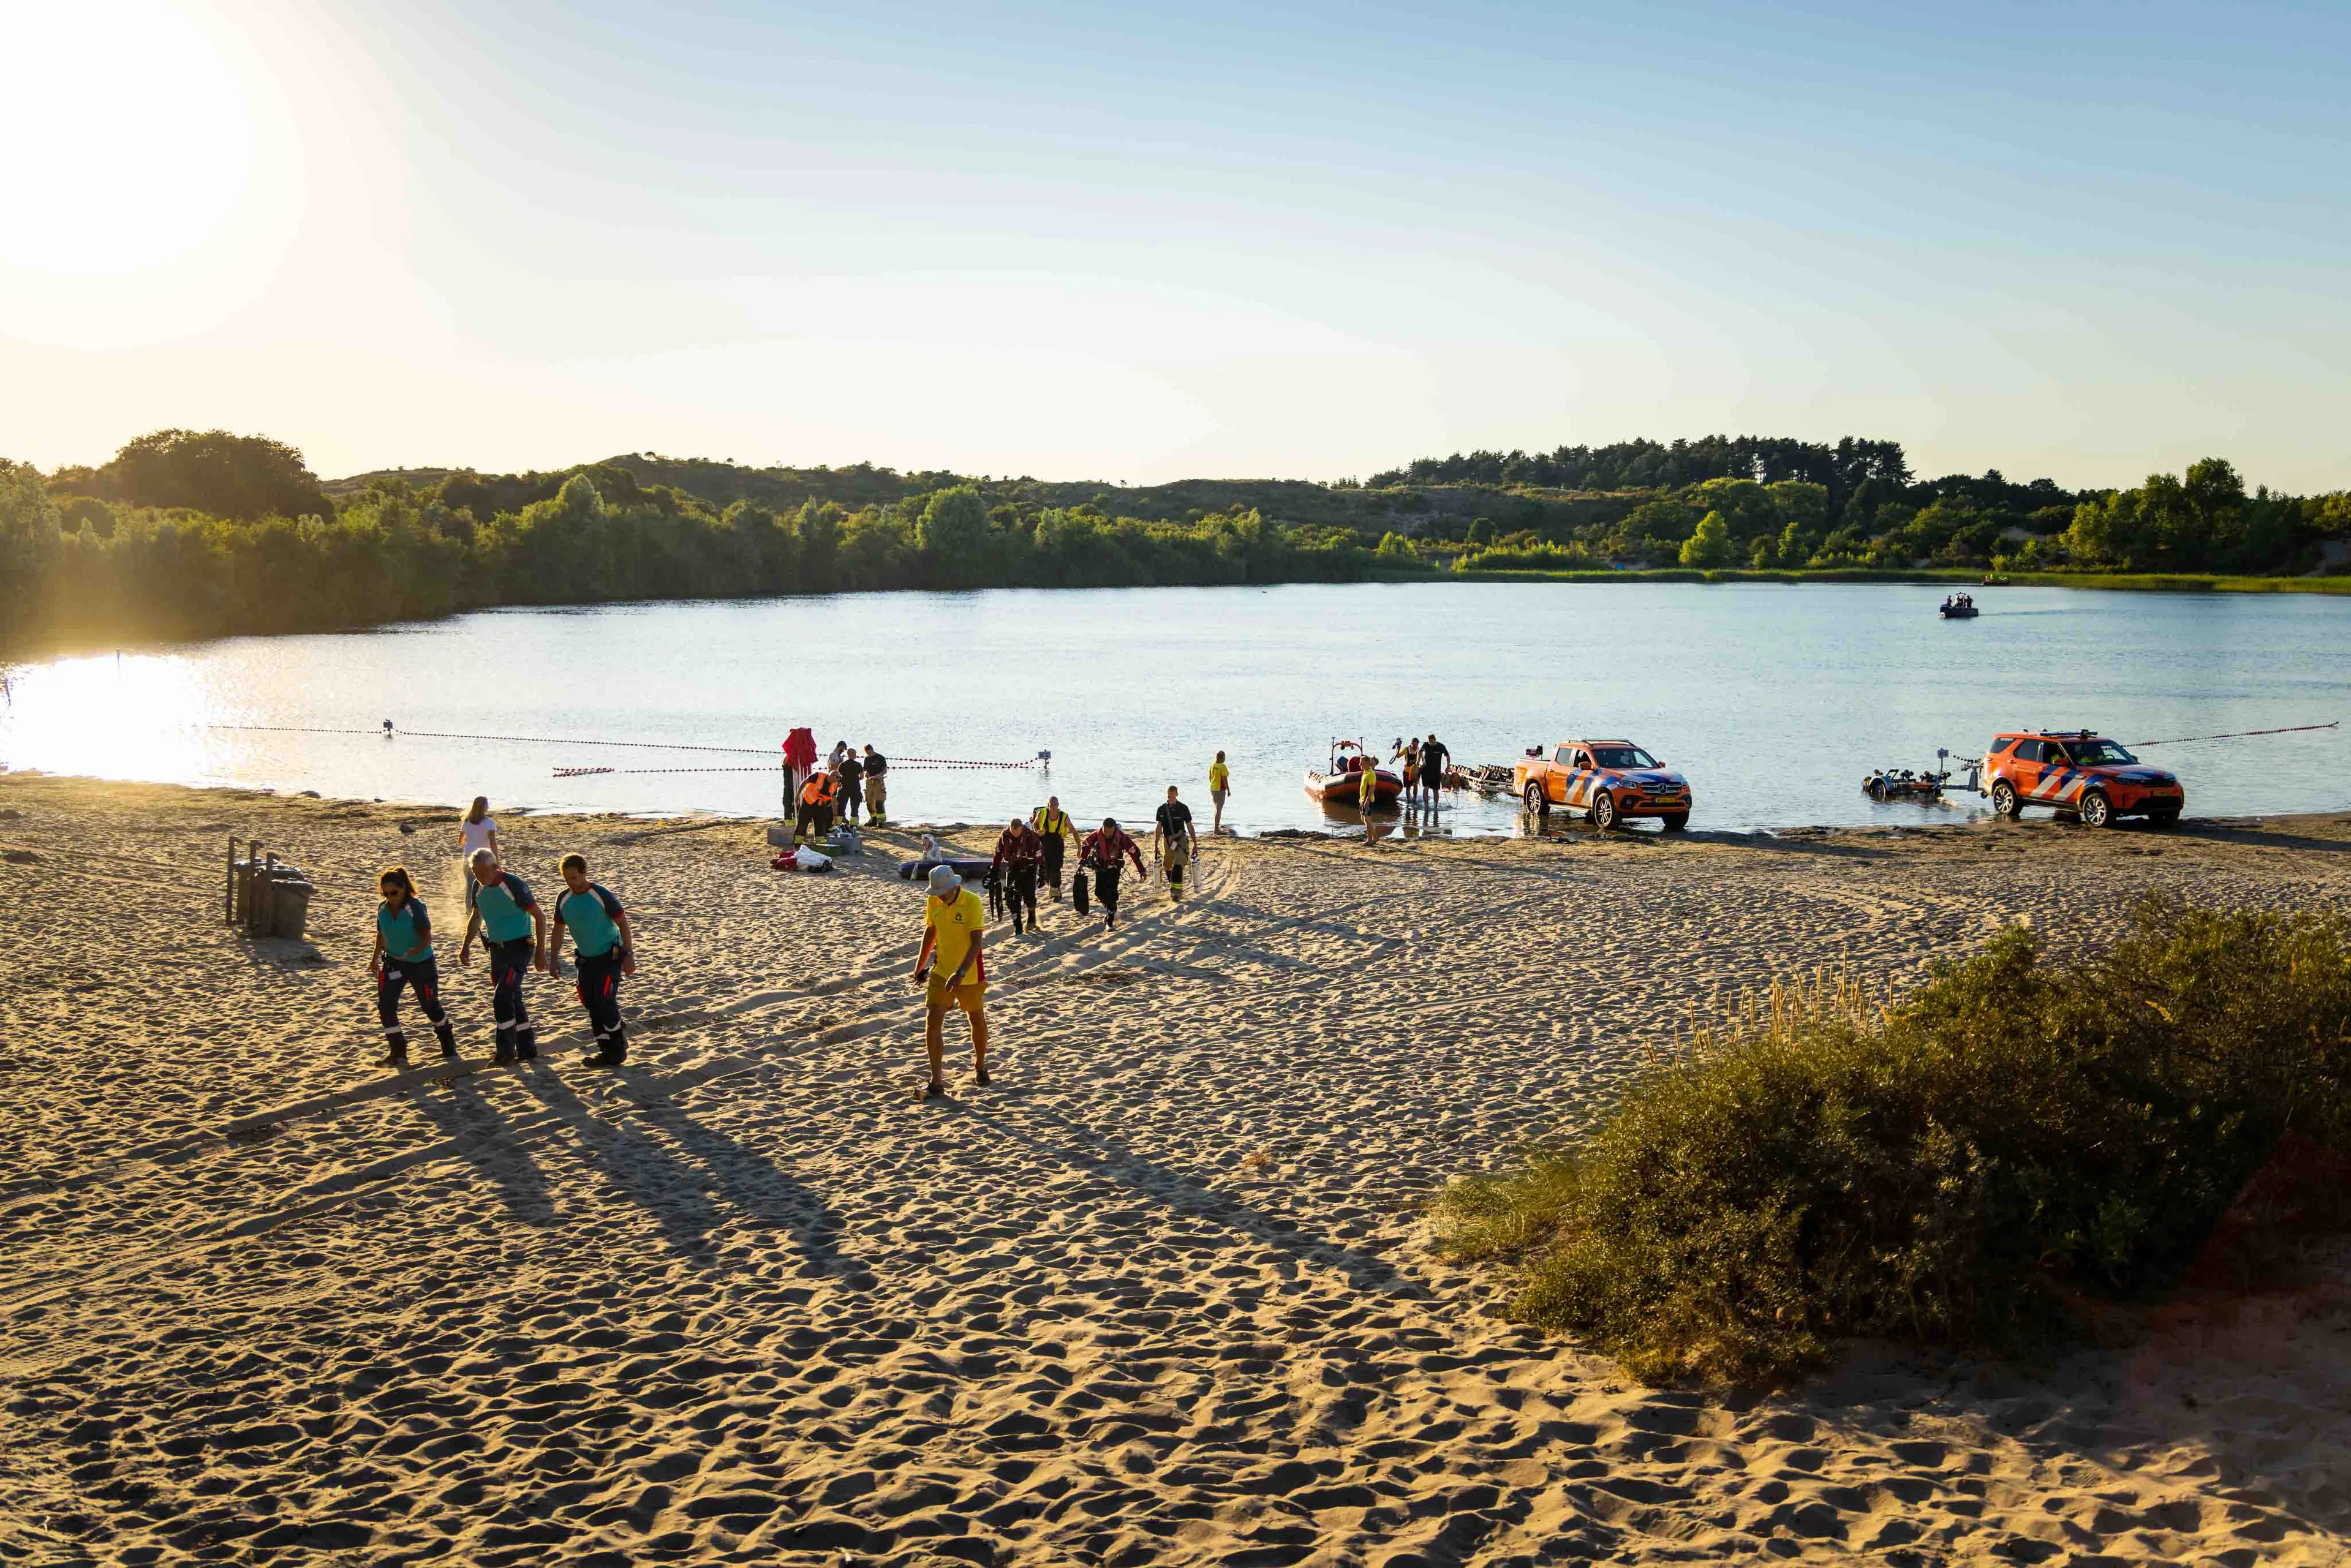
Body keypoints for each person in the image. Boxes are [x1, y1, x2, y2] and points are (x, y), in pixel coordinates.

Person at [459, 849, 546, 1065]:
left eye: (481, 873)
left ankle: (505, 1052)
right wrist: (466, 945)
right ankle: (527, 1049)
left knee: (502, 997)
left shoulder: (513, 884)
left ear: (495, 867)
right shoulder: (478, 886)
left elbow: (540, 916)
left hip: (520, 948)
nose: (479, 878)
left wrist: (541, 952)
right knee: (513, 998)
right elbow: (476, 917)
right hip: (497, 951)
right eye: (474, 873)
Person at [549, 852, 635, 1067]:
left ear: (584, 873)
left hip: (609, 955)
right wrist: (553, 958)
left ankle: (618, 1048)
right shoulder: (564, 898)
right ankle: (605, 1050)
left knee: (605, 1001)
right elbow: (558, 930)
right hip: (586, 959)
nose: (572, 883)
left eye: (575, 877)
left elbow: (623, 923)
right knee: (591, 1004)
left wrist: (629, 954)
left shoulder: (600, 894)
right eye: (567, 879)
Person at [912, 864, 989, 1098]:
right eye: (936, 893)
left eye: (942, 893)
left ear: (955, 887)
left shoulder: (973, 902)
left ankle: (980, 1066)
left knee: (976, 1018)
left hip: (970, 973)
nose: (939, 898)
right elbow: (931, 931)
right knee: (932, 1020)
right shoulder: (935, 901)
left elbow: (976, 943)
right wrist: (919, 964)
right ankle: (936, 1081)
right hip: (941, 970)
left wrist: (961, 973)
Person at [370, 866, 456, 1068]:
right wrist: (375, 959)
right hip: (393, 963)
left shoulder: (415, 907)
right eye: (385, 893)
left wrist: (415, 951)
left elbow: (427, 937)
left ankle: (448, 1043)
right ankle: (398, 1052)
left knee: (429, 1005)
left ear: (404, 889)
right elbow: (381, 935)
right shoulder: (383, 909)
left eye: (394, 892)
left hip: (421, 964)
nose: (390, 897)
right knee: (386, 1006)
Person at [1077, 817, 1145, 930]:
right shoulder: (1096, 835)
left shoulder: (1122, 837)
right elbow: (1086, 847)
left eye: (1110, 831)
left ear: (1114, 829)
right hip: (1101, 867)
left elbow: (1133, 852)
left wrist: (1141, 869)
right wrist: (1081, 862)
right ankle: (1111, 909)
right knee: (1099, 892)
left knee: (1111, 893)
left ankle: (1110, 920)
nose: (1107, 834)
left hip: (1115, 868)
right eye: (1105, 831)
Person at [992, 813, 1044, 933]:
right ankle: (1018, 927)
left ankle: (1032, 918)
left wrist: (1042, 873)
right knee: (1011, 897)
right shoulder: (1005, 835)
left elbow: (1040, 855)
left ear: (1021, 829)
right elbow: (998, 852)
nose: (1015, 835)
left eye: (1017, 833)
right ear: (1010, 828)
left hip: (1029, 868)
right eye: (1013, 833)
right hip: (1013, 868)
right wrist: (994, 869)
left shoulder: (1031, 837)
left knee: (1029, 896)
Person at [1153, 785, 1198, 902]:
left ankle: (1176, 894)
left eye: (1173, 796)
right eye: (1169, 797)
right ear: (1167, 795)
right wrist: (1156, 845)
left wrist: (1195, 844)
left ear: (1177, 795)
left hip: (1180, 839)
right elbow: (1159, 828)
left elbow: (1190, 827)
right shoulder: (1162, 809)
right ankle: (1175, 886)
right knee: (1167, 866)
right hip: (1167, 840)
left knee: (1178, 865)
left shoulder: (1183, 808)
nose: (1172, 799)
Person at [457, 797, 500, 910]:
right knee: (487, 885)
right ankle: (484, 910)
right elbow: (493, 843)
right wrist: (497, 862)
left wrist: (471, 843)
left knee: (470, 888)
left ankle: (469, 912)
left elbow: (461, 841)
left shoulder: (467, 822)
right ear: (484, 807)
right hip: (485, 859)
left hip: (468, 857)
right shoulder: (490, 823)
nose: (488, 806)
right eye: (487, 804)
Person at [1031, 795, 1076, 901]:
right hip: (1044, 843)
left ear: (1058, 805)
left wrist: (1079, 847)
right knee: (1045, 867)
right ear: (1048, 805)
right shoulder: (1041, 814)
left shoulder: (1064, 817)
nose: (1054, 807)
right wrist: (1037, 832)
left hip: (1057, 844)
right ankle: (1050, 885)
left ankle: (1056, 892)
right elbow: (1035, 824)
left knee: (1056, 868)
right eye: (1052, 805)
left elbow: (1073, 830)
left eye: (1056, 805)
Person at [798, 769, 837, 841]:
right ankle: (798, 843)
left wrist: (835, 814)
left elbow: (833, 800)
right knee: (803, 823)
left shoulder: (835, 784)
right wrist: (797, 796)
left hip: (821, 805)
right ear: (832, 776)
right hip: (808, 802)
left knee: (821, 824)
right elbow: (804, 782)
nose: (839, 779)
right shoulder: (818, 776)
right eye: (838, 777)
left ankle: (820, 843)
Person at [1419, 733, 1451, 810]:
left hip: (1436, 772)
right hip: (1426, 770)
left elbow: (1447, 756)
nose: (1430, 744)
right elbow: (1420, 751)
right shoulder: (1426, 745)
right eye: (1429, 743)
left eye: (1432, 743)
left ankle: (1435, 806)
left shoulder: (1441, 746)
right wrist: (1419, 760)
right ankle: (1426, 806)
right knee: (1425, 788)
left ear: (1434, 740)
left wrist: (1448, 766)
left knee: (1435, 791)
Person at [862, 744, 889, 827]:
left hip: (878, 781)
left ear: (872, 750)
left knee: (879, 802)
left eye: (869, 752)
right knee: (869, 802)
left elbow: (885, 770)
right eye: (867, 753)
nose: (868, 754)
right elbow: (864, 770)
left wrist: (879, 775)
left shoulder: (880, 758)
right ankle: (873, 819)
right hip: (869, 782)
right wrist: (867, 774)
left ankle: (881, 822)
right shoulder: (867, 759)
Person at [837, 747, 865, 826]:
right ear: (852, 754)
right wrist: (856, 779)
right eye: (855, 754)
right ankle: (854, 825)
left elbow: (838, 776)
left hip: (844, 788)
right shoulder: (858, 765)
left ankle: (839, 824)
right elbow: (862, 777)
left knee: (841, 808)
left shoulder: (842, 765)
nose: (856, 755)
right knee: (855, 808)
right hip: (855, 788)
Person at [1208, 752, 1231, 833]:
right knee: (1219, 809)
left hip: (1213, 788)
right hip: (1220, 789)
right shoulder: (1222, 766)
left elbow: (1210, 777)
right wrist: (1228, 790)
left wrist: (1212, 785)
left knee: (1217, 809)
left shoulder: (1213, 765)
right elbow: (1224, 779)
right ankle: (1216, 829)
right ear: (1222, 758)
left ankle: (1216, 826)